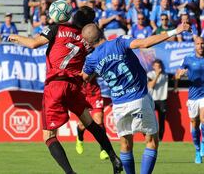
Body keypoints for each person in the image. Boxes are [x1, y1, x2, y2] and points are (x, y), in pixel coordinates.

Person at [8, 6, 122, 174]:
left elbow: (33, 44)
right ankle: (113, 157)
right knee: (90, 123)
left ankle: (70, 173)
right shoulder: (86, 39)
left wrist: (15, 37)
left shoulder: (56, 28)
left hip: (55, 85)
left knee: (49, 136)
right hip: (74, 87)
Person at [81, 22, 190, 174]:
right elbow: (145, 43)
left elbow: (84, 77)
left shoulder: (91, 59)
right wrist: (176, 30)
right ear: (101, 31)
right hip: (138, 98)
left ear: (88, 42)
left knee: (125, 144)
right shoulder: (119, 41)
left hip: (118, 105)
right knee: (151, 142)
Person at [175, 36, 204, 164]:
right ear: (195, 45)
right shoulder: (188, 59)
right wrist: (180, 74)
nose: (200, 46)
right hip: (193, 95)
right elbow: (178, 73)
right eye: (198, 44)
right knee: (194, 122)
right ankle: (197, 150)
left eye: (202, 44)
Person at [75, 79, 109, 160]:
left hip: (95, 94)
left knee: (99, 121)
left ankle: (103, 149)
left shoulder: (92, 66)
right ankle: (80, 139)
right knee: (82, 125)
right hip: (81, 95)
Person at [147, 59, 168, 141]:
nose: (158, 68)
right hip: (152, 99)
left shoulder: (165, 75)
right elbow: (151, 85)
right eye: (156, 66)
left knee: (162, 121)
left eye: (159, 66)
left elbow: (175, 78)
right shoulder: (150, 74)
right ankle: (150, 137)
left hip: (162, 100)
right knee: (151, 119)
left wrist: (175, 87)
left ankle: (160, 139)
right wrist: (157, 75)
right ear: (153, 66)